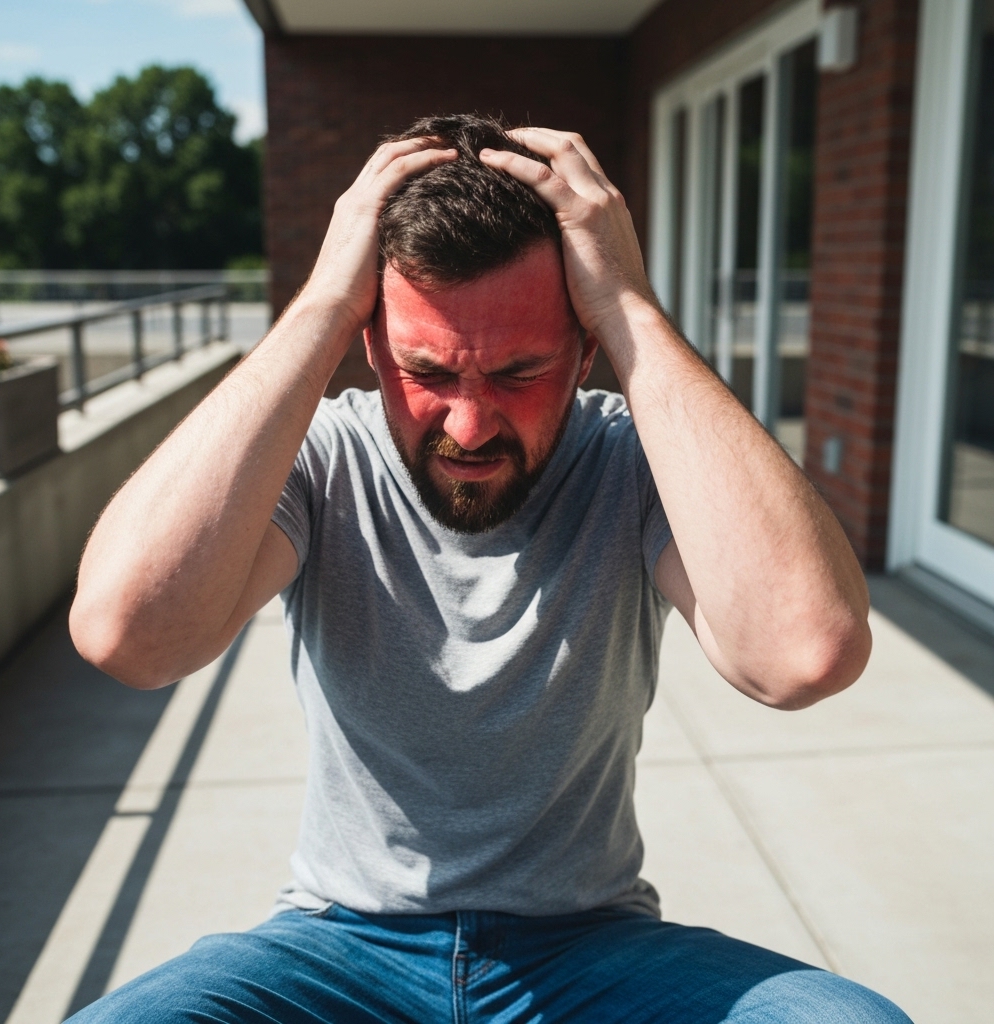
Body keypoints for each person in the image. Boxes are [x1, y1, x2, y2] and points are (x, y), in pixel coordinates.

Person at [67, 114, 910, 1023]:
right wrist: (318, 306)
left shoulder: (635, 461)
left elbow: (802, 652)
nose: (468, 426)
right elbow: (129, 635)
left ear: (586, 354)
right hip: (341, 944)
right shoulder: (323, 461)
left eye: (519, 372)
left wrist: (632, 311)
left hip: (593, 948)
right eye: (428, 370)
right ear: (374, 346)